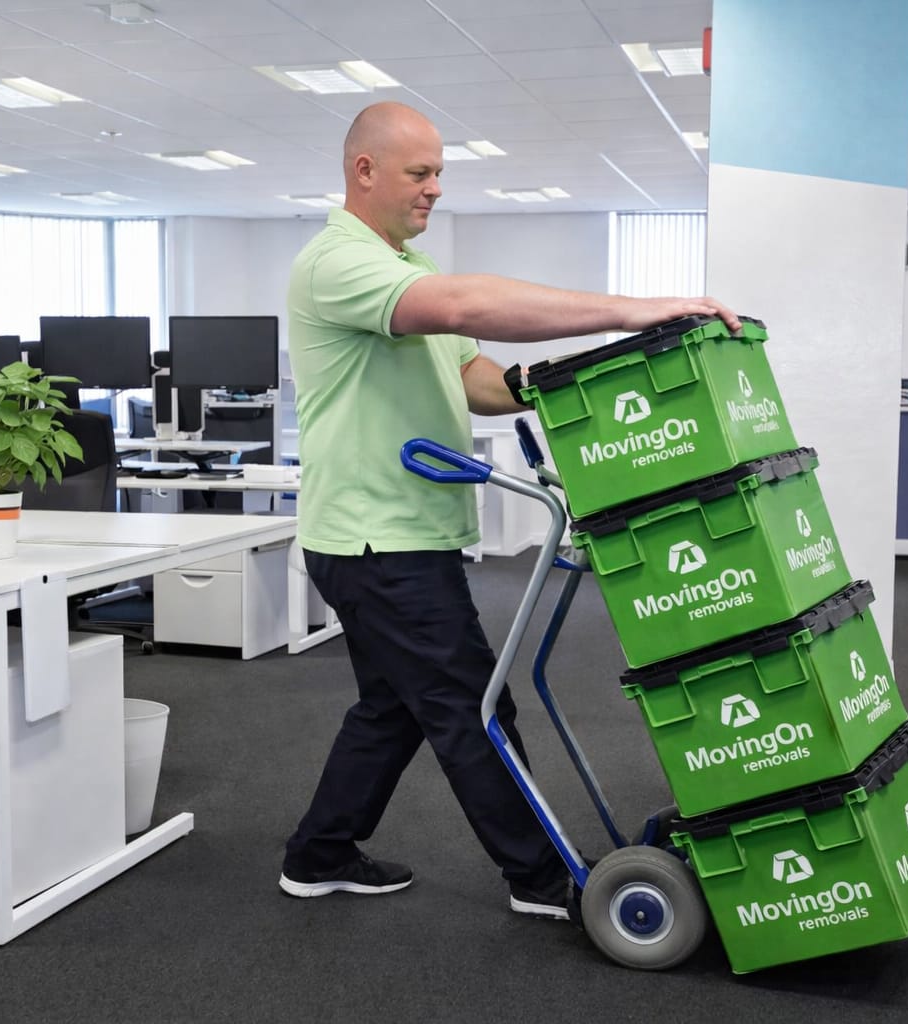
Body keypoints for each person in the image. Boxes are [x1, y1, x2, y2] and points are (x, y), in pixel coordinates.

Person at [278, 100, 741, 918]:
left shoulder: (398, 268)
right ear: (365, 172)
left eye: (439, 174)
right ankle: (544, 877)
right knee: (469, 707)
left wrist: (556, 381)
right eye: (420, 174)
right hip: (376, 541)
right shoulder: (337, 263)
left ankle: (319, 854)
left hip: (395, 532)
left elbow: (474, 378)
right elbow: (463, 308)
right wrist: (634, 308)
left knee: (394, 707)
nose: (433, 190)